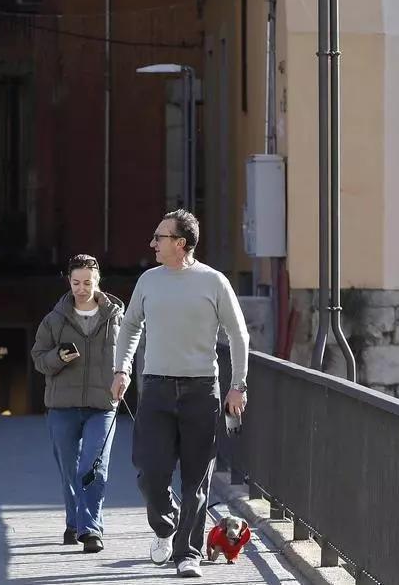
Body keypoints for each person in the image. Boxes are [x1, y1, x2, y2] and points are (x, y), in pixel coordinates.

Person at [111, 210, 249, 578]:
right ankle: (166, 526)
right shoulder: (148, 280)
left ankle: (187, 553)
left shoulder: (214, 282)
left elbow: (238, 335)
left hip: (201, 390)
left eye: (159, 237)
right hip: (155, 388)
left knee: (196, 479)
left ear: (181, 244)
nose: (152, 243)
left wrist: (238, 385)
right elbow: (129, 328)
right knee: (150, 472)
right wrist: (122, 368)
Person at [30, 254, 125, 554]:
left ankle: (91, 529)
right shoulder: (54, 319)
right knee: (70, 471)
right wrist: (58, 357)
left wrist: (125, 375)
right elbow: (38, 359)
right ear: (68, 282)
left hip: (103, 404)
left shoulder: (116, 317)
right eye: (76, 282)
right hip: (62, 405)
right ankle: (74, 522)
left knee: (94, 467)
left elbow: (129, 352)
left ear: (98, 282)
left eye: (88, 282)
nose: (81, 288)